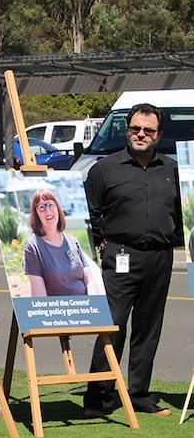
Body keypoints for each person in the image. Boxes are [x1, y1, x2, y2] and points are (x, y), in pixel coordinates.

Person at [83, 103, 183, 418]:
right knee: (111, 326)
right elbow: (91, 214)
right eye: (135, 128)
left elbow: (182, 214)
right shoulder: (103, 169)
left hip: (160, 257)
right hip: (119, 256)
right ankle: (98, 399)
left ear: (159, 134)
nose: (140, 134)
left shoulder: (171, 170)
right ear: (128, 130)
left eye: (148, 130)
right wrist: (103, 246)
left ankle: (140, 395)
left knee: (148, 328)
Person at [23, 189, 96, 296]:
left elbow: (90, 280)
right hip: (59, 309)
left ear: (58, 208)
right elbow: (39, 294)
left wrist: (96, 306)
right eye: (41, 207)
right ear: (36, 214)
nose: (48, 211)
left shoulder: (72, 241)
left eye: (50, 205)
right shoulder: (33, 245)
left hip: (86, 307)